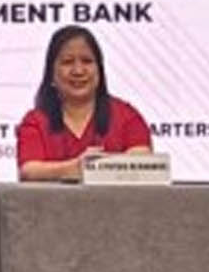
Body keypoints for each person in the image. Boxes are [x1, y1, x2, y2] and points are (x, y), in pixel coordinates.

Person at [15, 25, 153, 182]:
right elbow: (29, 171)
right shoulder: (35, 121)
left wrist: (96, 167)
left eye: (87, 61)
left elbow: (143, 159)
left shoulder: (126, 116)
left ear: (99, 70)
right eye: (67, 62)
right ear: (51, 74)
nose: (78, 71)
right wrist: (78, 167)